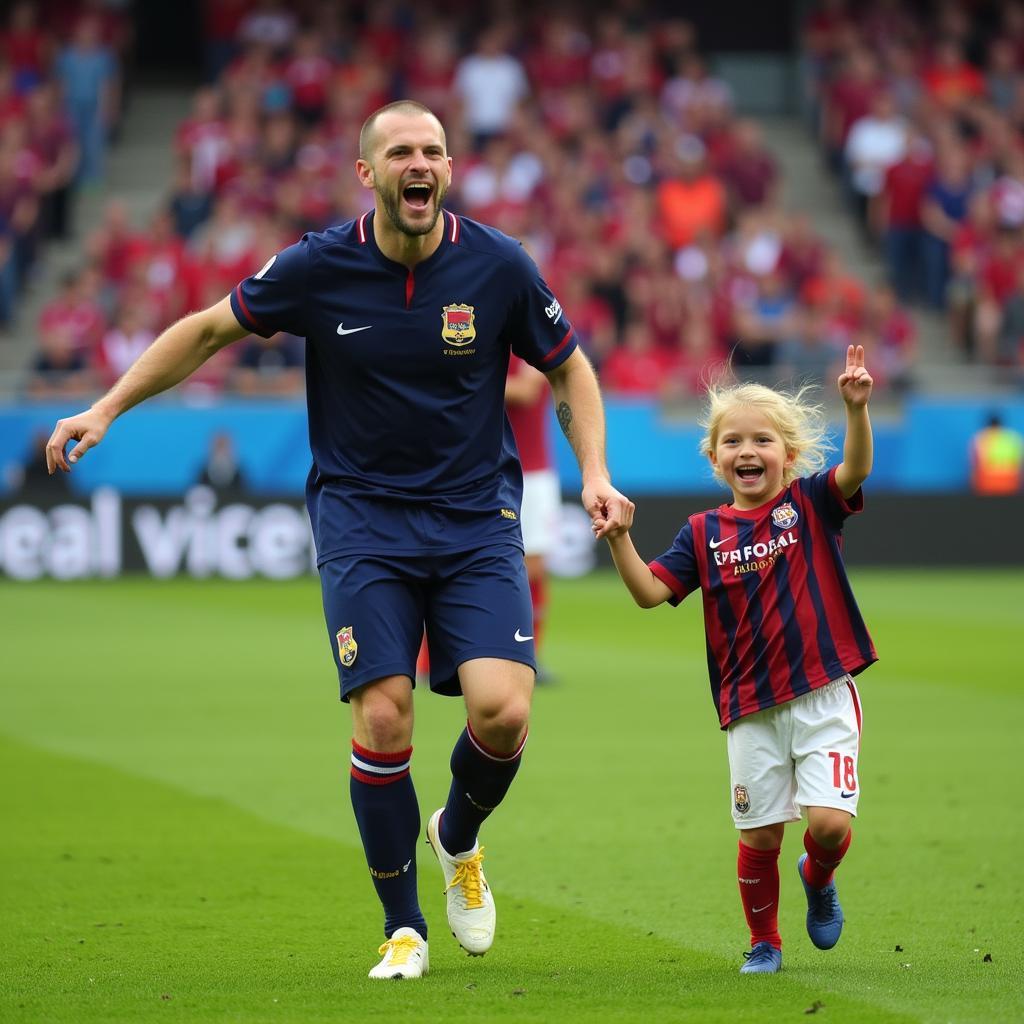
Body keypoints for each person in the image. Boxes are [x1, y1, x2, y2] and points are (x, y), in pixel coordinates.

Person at [44, 99, 629, 980]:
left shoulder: (500, 266)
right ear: (369, 174)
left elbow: (569, 365)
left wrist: (593, 472)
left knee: (504, 713)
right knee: (384, 714)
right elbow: (207, 330)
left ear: (447, 167)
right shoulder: (319, 266)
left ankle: (457, 837)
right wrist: (105, 406)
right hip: (363, 519)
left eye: (433, 149)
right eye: (401, 151)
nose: (420, 163)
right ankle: (405, 929)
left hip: (474, 518)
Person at [600, 344, 877, 975]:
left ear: (789, 454)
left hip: (821, 694)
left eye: (762, 440)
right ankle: (765, 943)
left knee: (829, 826)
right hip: (748, 708)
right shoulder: (701, 533)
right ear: (714, 457)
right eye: (733, 442)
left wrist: (857, 410)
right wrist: (619, 539)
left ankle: (818, 872)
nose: (747, 451)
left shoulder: (809, 504)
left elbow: (856, 468)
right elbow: (649, 593)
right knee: (758, 836)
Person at [505, 354, 560, 682]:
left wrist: (466, 376)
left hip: (533, 469)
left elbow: (526, 391)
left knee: (534, 567)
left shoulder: (529, 339)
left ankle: (529, 655)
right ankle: (429, 658)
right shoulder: (481, 336)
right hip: (489, 466)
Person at [969, 413, 1023, 495]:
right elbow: (1020, 464)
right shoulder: (1014, 438)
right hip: (1010, 483)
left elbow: (974, 465)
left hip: (987, 484)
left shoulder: (980, 438)